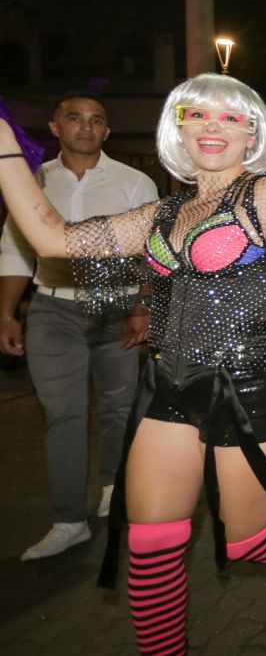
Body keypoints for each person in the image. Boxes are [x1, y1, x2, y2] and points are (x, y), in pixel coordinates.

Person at [0, 73, 266, 651]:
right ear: (180, 129)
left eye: (230, 117)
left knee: (245, 539)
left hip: (249, 389)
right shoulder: (162, 214)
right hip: (168, 386)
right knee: (150, 543)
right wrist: (4, 144)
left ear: (252, 135)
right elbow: (53, 239)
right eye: (198, 115)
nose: (212, 126)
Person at [0, 93, 158, 561]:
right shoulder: (32, 182)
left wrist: (143, 307)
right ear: (55, 127)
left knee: (118, 408)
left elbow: (153, 252)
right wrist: (8, 312)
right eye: (75, 118)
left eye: (96, 121)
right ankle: (69, 519)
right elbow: (15, 250)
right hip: (53, 312)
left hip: (118, 311)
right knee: (63, 415)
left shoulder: (135, 182)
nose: (85, 127)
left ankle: (114, 489)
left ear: (107, 132)